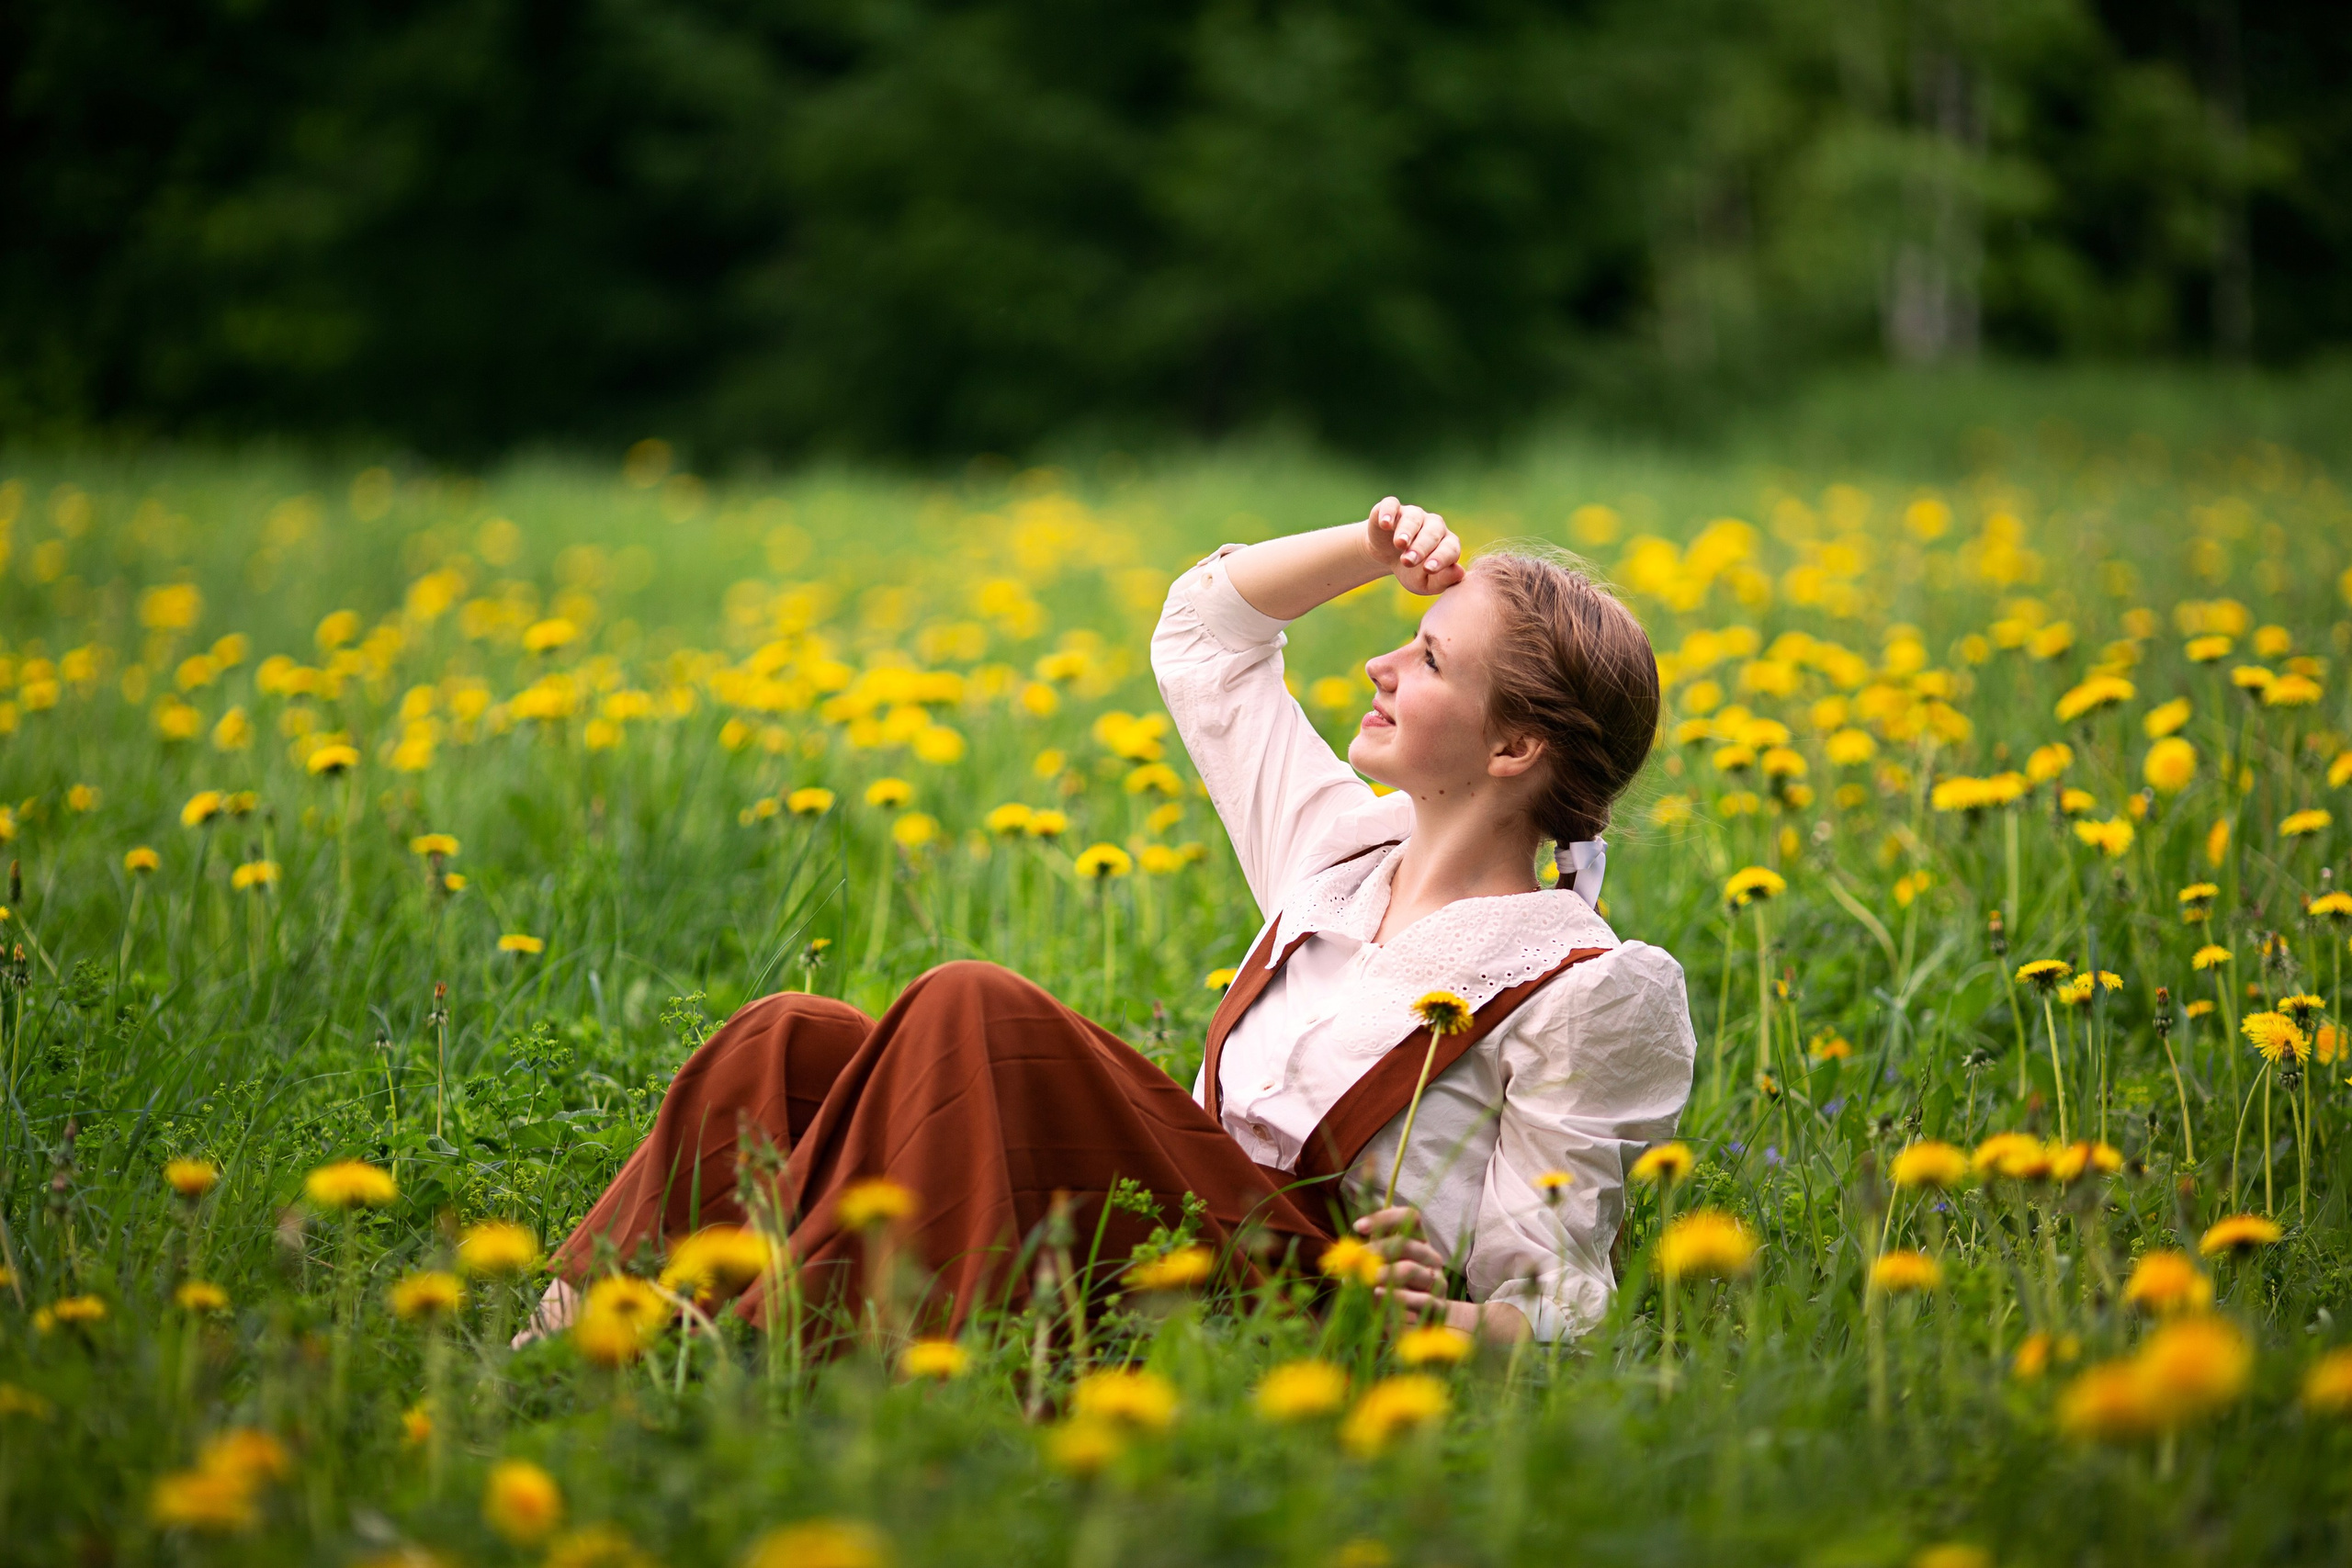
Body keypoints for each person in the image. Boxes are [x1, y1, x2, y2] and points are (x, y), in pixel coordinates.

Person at [527, 499, 1694, 1348]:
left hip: (1287, 1299)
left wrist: (1448, 1327)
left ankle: (760, 1356)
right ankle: (567, 1333)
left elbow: (1564, 1291)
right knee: (788, 1039)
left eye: (1431, 657)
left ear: (1510, 749)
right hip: (1171, 1214)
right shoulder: (1337, 850)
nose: (1384, 664)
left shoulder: (1584, 985)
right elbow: (1205, 638)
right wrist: (1368, 549)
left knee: (969, 1009)